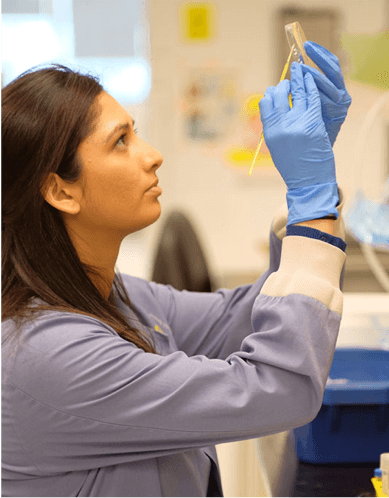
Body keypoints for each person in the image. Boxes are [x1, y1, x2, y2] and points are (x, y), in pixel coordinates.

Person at [1, 41, 351, 498]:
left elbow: (239, 318)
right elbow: (278, 387)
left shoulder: (110, 296)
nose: (151, 155)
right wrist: (312, 201)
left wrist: (312, 198)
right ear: (61, 192)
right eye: (120, 141)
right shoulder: (46, 354)